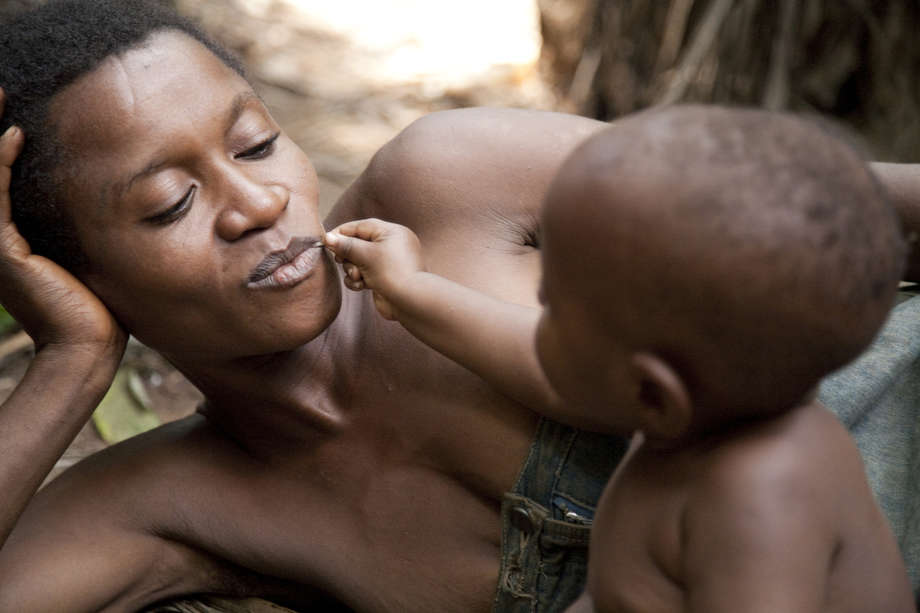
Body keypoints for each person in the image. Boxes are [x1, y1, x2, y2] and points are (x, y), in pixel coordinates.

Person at [0, 1, 917, 611]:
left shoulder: (447, 184)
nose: (260, 204)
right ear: (70, 271)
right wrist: (71, 355)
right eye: (170, 203)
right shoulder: (168, 503)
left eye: (256, 143)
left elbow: (859, 206)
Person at [321, 105, 916, 612]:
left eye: (551, 313)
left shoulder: (761, 499)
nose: (530, 320)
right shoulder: (685, 423)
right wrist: (409, 289)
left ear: (652, 393)